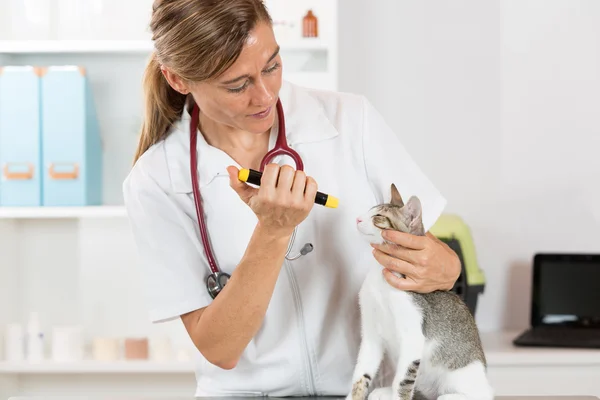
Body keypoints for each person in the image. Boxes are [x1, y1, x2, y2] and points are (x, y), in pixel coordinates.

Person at [123, 0, 461, 397]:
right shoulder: (157, 179)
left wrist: (443, 267)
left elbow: (441, 262)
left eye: (272, 66)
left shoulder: (349, 120)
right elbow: (220, 348)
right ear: (179, 80)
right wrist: (273, 231)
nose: (265, 95)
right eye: (237, 85)